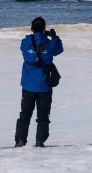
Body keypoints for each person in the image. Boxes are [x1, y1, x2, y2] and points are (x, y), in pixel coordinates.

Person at [15, 16, 64, 148]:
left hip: (28, 85)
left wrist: (36, 36)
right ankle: (40, 141)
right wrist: (54, 37)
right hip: (44, 86)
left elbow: (23, 46)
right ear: (44, 28)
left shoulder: (26, 42)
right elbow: (59, 49)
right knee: (43, 115)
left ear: (32, 28)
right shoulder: (50, 43)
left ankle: (20, 140)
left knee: (25, 115)